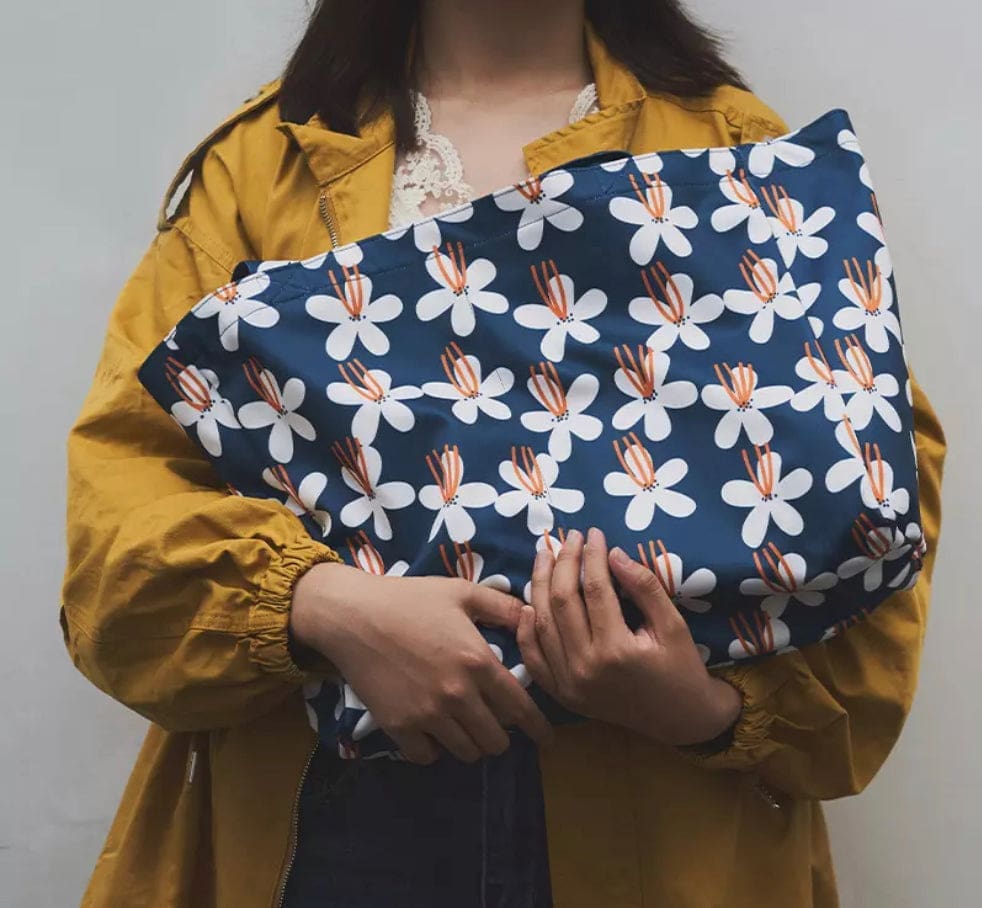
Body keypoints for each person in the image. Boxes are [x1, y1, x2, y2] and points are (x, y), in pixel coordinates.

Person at [60, 1, 946, 906]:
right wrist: (324, 607)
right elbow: (118, 530)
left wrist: (704, 709)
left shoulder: (739, 152)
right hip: (332, 819)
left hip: (664, 820)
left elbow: (876, 503)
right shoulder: (265, 168)